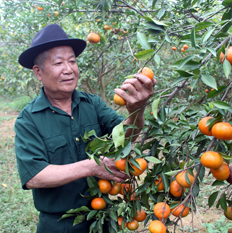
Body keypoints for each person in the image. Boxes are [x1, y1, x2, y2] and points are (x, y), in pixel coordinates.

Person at [15, 24, 156, 233]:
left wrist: (137, 111)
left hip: (103, 217)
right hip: (59, 224)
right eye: (58, 63)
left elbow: (124, 136)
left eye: (72, 61)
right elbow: (35, 176)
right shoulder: (29, 119)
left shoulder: (92, 104)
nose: (69, 69)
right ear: (38, 72)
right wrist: (91, 167)